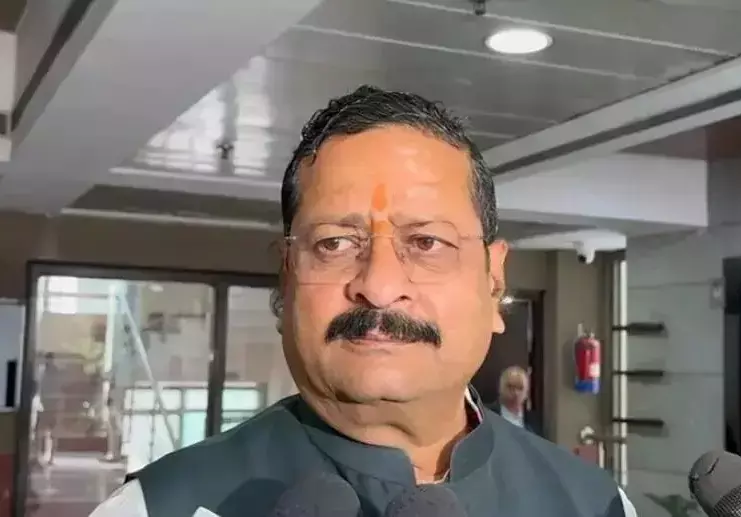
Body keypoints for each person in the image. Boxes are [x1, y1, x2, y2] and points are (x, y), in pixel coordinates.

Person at [90, 85, 637, 517]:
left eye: (426, 243)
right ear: (287, 278)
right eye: (334, 244)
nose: (377, 285)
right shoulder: (157, 507)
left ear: (494, 283)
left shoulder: (597, 505)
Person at [485, 365, 538, 432]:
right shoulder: (486, 415)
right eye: (510, 387)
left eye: (520, 388)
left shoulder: (533, 420)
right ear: (501, 388)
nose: (516, 392)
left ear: (526, 392)